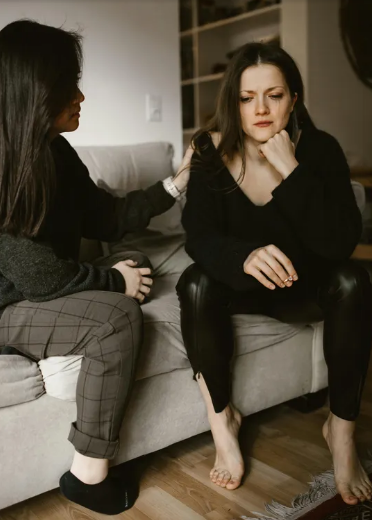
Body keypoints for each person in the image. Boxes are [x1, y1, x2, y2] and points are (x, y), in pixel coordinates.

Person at [0, 19, 192, 516]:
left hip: (42, 288)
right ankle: (88, 475)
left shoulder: (57, 152)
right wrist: (112, 283)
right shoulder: (5, 164)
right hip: (7, 308)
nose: (81, 96)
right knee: (117, 317)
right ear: (36, 92)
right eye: (70, 86)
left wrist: (176, 183)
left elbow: (106, 217)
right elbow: (38, 277)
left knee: (136, 262)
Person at [176, 41, 372, 506]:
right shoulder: (209, 151)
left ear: (294, 99)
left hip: (304, 287)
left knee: (354, 279)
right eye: (247, 98)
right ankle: (223, 421)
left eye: (275, 95)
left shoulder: (320, 149)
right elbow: (198, 236)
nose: (261, 109)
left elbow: (339, 244)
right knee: (194, 283)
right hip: (241, 288)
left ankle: (340, 430)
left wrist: (292, 171)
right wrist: (242, 256)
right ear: (234, 102)